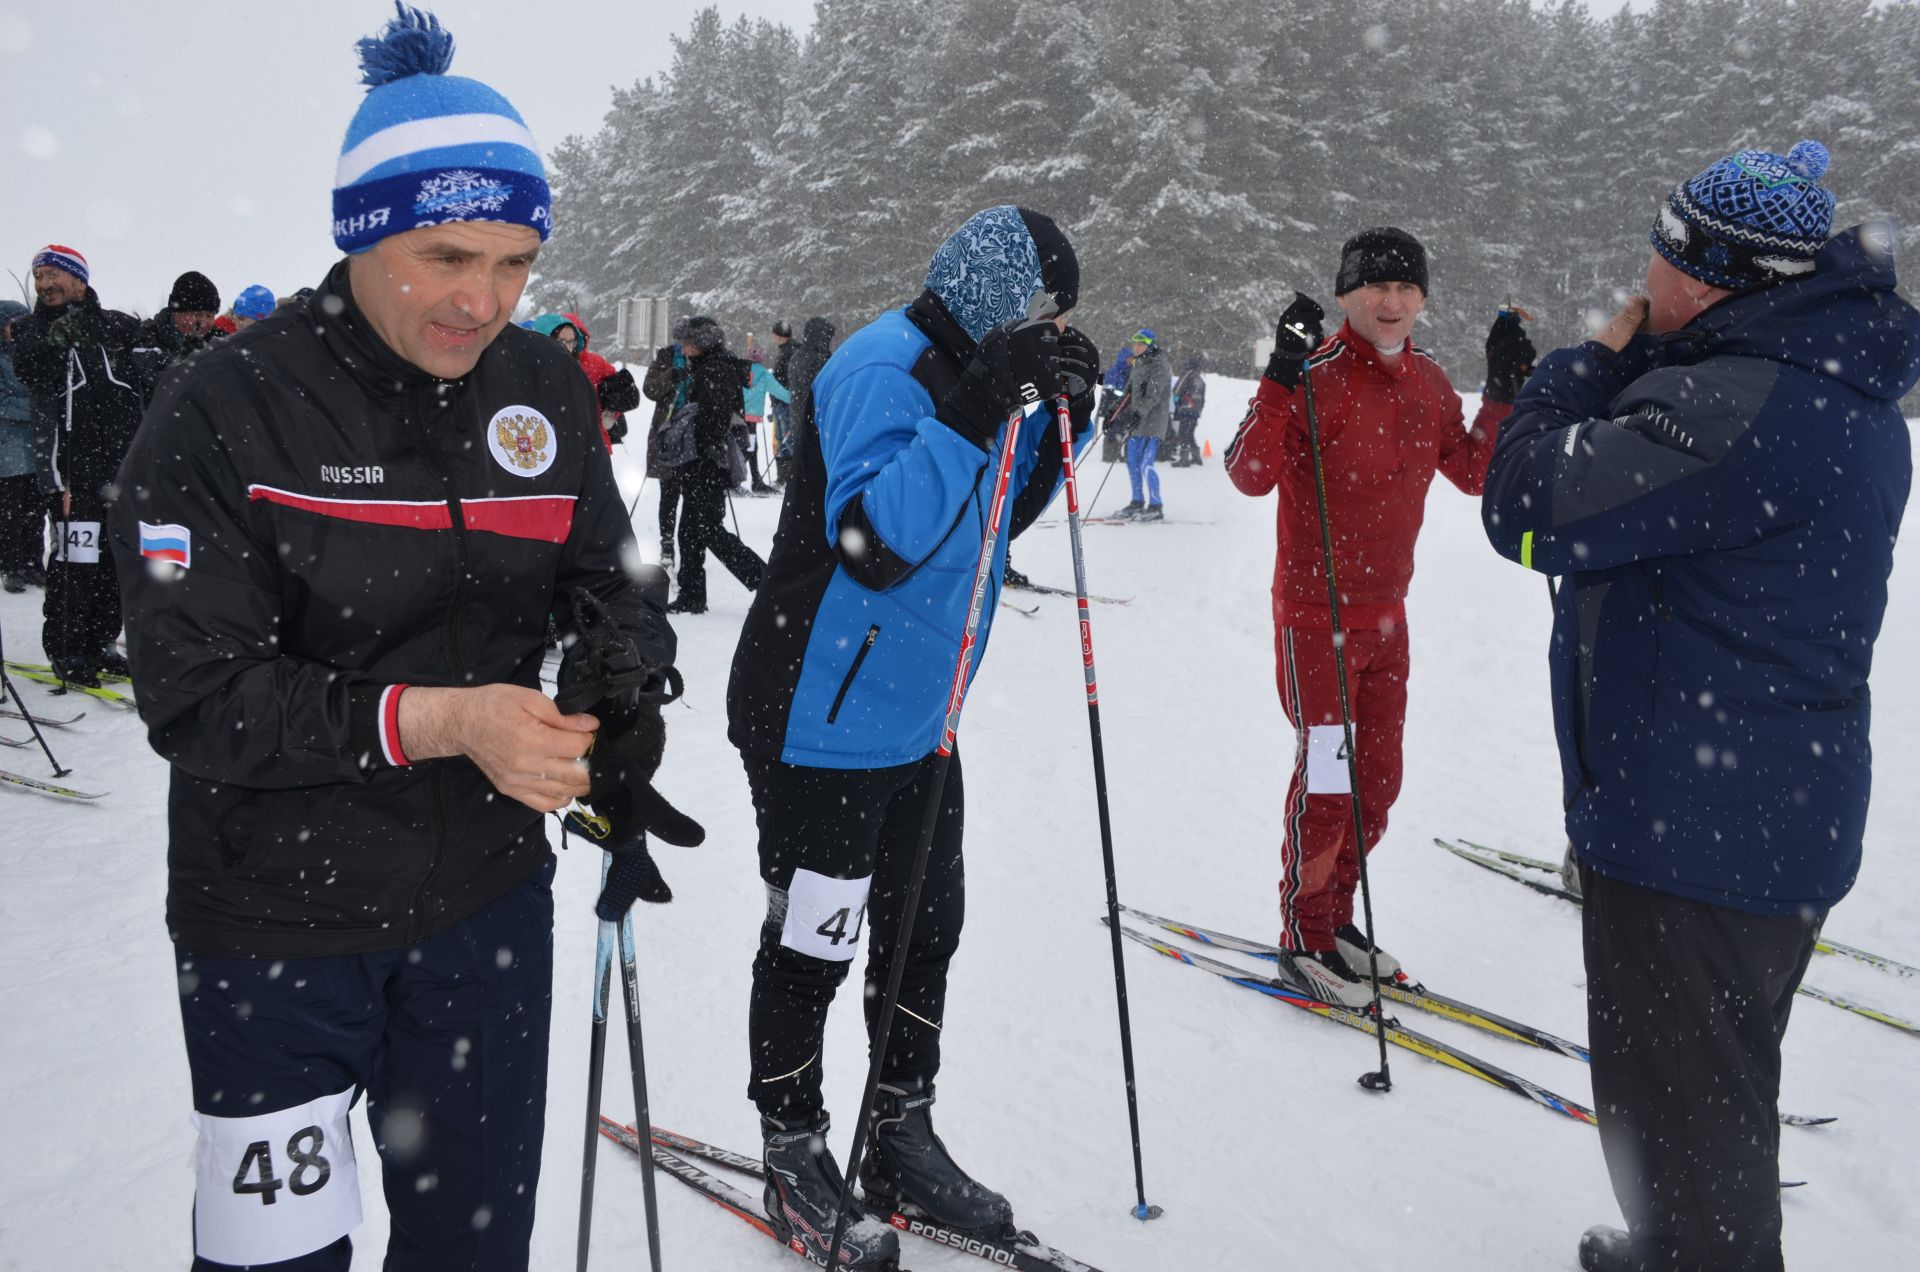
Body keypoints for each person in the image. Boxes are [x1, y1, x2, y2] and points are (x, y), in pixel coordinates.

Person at [107, 8, 685, 1268]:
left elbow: (618, 568)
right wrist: (450, 718)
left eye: (517, 262)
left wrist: (625, 666)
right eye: (447, 255)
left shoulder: (543, 393)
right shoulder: (225, 406)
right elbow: (194, 694)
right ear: (363, 234)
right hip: (273, 930)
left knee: (471, 1255)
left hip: (481, 913)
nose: (483, 299)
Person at [1481, 141, 1918, 1272]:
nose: (1643, 283)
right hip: (1755, 811)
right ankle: (1676, 1236)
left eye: (1662, 260)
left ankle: (1696, 1250)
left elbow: (1526, 506)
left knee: (1690, 1118)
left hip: (1695, 837)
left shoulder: (1738, 404)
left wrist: (1580, 368)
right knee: (1707, 1099)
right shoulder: (1820, 383)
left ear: (1715, 278)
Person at [725, 204, 1098, 1268]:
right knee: (817, 941)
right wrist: (985, 402)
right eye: (1045, 314)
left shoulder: (979, 375)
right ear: (1000, 295)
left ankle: (897, 1131)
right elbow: (874, 542)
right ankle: (793, 1142)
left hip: (918, 717)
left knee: (925, 928)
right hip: (820, 714)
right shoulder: (884, 366)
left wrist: (1068, 416)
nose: (1049, 330)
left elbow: (983, 524)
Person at [1224, 226, 1532, 1007]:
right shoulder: (1316, 374)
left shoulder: (1428, 381)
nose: (1390, 302)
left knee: (1377, 783)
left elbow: (1471, 473)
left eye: (1405, 289)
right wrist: (1281, 377)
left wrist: (1500, 395)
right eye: (1374, 288)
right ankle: (1304, 936)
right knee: (1329, 781)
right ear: (1345, 297)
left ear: (1423, 299)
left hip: (1387, 621)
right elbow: (1248, 474)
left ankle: (1337, 919)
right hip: (1314, 620)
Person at [8, 244, 145, 685]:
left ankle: (102, 642)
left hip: (120, 475)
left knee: (114, 567)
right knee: (74, 566)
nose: (45, 284)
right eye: (38, 277)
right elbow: (30, 367)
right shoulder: (35, 329)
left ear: (79, 280)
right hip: (72, 476)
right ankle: (69, 652)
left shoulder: (113, 327)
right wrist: (55, 339)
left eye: (53, 275)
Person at [666, 314, 764, 614]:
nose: (683, 348)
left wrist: (700, 444)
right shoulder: (707, 366)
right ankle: (692, 594)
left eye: (687, 342)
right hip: (702, 462)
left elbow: (715, 417)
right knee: (690, 530)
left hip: (708, 463)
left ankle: (766, 581)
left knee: (708, 529)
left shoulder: (716, 369)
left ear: (702, 343)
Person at [534, 311, 640, 449]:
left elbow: (624, 391)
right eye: (562, 340)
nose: (568, 346)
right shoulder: (540, 366)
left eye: (572, 341)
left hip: (592, 443)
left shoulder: (595, 364)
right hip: (559, 443)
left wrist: (611, 410)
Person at [1108, 327, 1169, 520]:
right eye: (1134, 343)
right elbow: (1129, 393)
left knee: (1145, 464)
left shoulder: (1160, 365)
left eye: (1139, 343)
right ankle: (1137, 501)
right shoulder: (1138, 364)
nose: (1135, 346)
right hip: (1138, 422)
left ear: (1149, 345)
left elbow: (1153, 396)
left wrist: (1139, 413)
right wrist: (1113, 412)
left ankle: (1156, 505)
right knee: (1132, 462)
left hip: (1153, 423)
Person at [0, 300, 40, 592]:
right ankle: (12, 568)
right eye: (14, 323)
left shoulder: (32, 355)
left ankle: (33, 564)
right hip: (8, 449)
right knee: (11, 512)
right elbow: (3, 402)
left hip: (36, 447)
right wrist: (36, 409)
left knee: (35, 511)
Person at [642, 338, 691, 568]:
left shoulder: (701, 358)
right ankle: (668, 543)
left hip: (692, 436)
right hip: (668, 435)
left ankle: (690, 543)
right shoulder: (664, 358)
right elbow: (650, 390)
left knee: (692, 496)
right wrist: (671, 375)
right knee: (669, 494)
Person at [129, 270, 221, 387]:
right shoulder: (148, 337)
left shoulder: (217, 340)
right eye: (196, 314)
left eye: (210, 316)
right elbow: (160, 381)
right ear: (176, 312)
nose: (203, 323)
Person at [742, 347, 789, 494]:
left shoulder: (739, 371)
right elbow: (779, 391)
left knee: (744, 447)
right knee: (750, 448)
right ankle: (752, 481)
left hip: (739, 415)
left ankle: (746, 479)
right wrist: (796, 397)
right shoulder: (763, 374)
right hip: (752, 418)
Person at [769, 319, 795, 485]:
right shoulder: (784, 351)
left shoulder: (790, 352)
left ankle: (792, 478)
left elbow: (786, 378)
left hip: (786, 402)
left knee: (788, 440)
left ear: (780, 335)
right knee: (781, 440)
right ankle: (783, 477)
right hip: (779, 402)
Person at [1169, 350, 1206, 466]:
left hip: (1185, 408)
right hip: (1196, 411)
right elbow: (1203, 399)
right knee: (1190, 434)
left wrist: (1177, 402)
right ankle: (1196, 457)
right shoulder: (1201, 380)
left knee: (1183, 434)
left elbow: (1176, 390)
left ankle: (1184, 459)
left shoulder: (1187, 375)